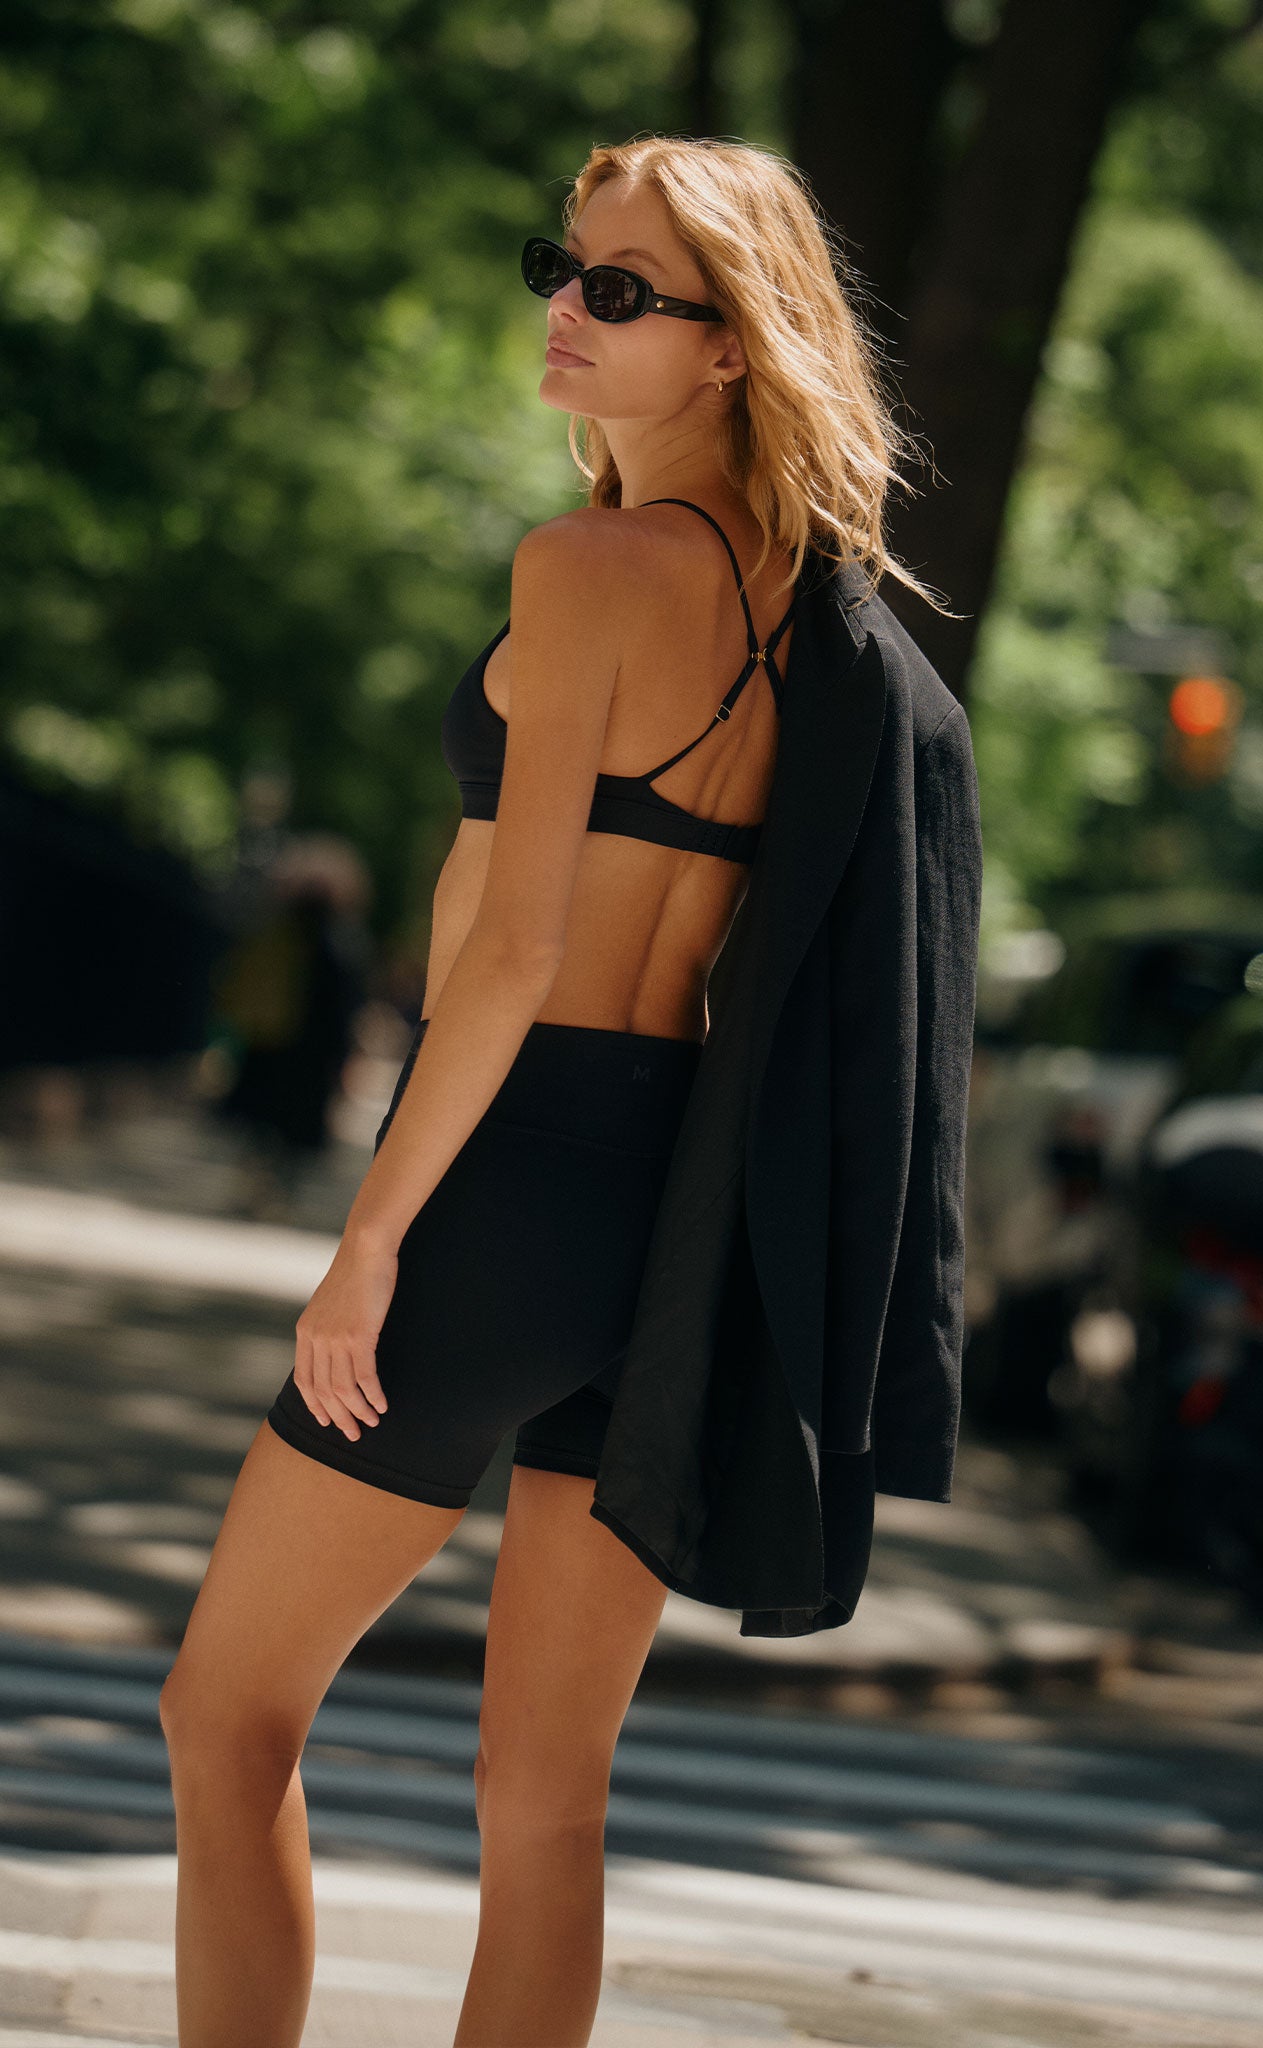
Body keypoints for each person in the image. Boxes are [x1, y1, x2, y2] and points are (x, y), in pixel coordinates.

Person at [159, 134, 981, 2048]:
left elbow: (513, 953)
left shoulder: (592, 563)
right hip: (673, 1212)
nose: (567, 308)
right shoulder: (812, 612)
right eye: (564, 263)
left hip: (507, 1179)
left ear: (727, 348)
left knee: (227, 1714)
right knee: (541, 1800)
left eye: (624, 290)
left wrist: (370, 1241)